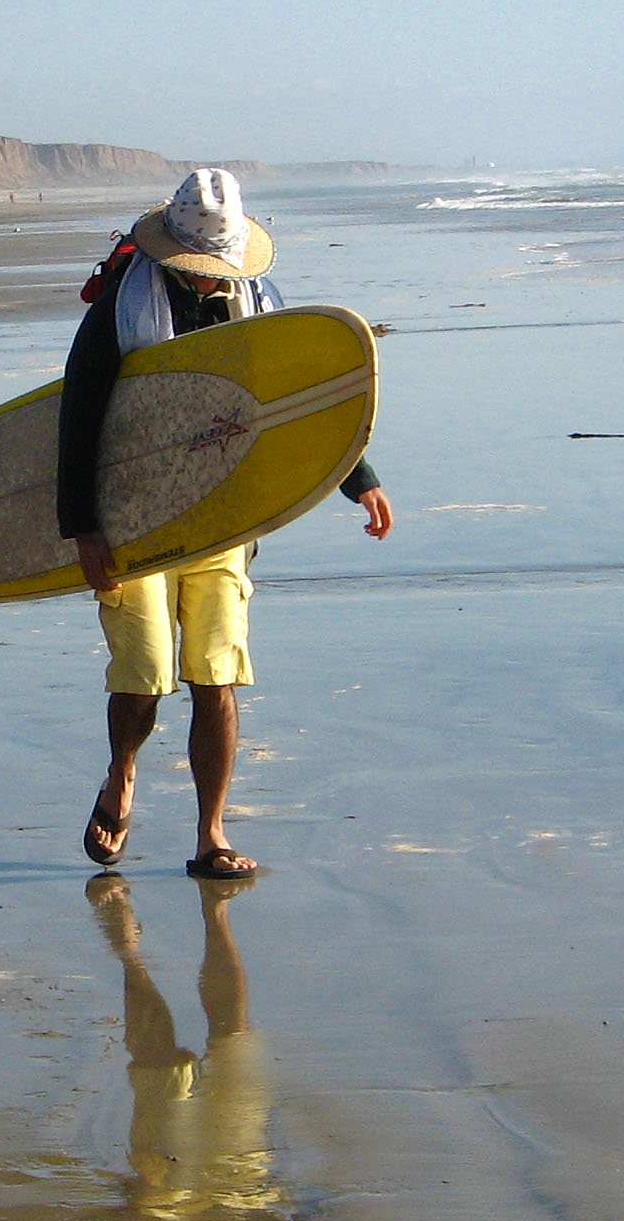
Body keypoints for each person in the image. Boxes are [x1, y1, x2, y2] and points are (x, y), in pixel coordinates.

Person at [58, 169, 393, 880]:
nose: (210, 280)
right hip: (133, 519)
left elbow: (293, 397)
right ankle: (122, 772)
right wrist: (83, 529)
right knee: (146, 674)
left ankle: (211, 835)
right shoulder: (123, 306)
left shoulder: (256, 300)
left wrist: (357, 478)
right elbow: (78, 418)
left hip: (223, 518)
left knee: (217, 677)